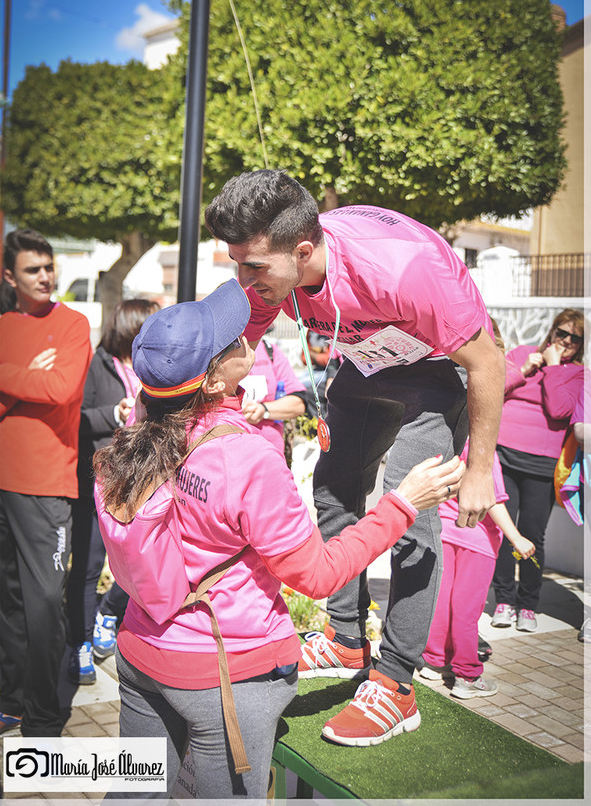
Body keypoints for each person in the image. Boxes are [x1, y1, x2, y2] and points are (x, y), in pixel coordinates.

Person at [93, 279, 465, 799]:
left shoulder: (138, 425)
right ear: (216, 380)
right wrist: (402, 503)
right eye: (230, 337)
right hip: (224, 676)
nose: (247, 334)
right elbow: (317, 575)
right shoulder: (244, 459)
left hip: (140, 658)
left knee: (133, 794)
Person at [204, 169, 505, 746]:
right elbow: (239, 346)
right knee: (334, 487)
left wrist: (480, 470)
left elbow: (488, 363)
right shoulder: (273, 277)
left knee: (412, 510)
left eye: (254, 267)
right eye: (237, 263)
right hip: (364, 364)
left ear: (303, 250)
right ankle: (345, 637)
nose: (244, 279)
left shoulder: (403, 271)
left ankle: (396, 682)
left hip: (440, 371)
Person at [0, 229, 92, 736]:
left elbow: (59, 388)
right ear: (10, 277)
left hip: (49, 486)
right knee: (8, 601)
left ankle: (44, 716)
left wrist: (0, 374)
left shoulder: (73, 324)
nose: (46, 276)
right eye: (34, 269)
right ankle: (10, 702)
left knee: (43, 604)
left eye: (49, 266)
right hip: (0, 481)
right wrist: (17, 374)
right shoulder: (0, 327)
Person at [66, 298, 159, 685]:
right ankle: (79, 644)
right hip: (97, 481)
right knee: (87, 568)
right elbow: (73, 419)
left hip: (141, 480)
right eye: (151, 323)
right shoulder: (97, 363)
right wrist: (114, 415)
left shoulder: (152, 366)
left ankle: (108, 613)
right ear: (132, 326)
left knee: (138, 562)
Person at [491, 309, 585, 632]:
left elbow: (559, 408)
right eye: (563, 333)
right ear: (552, 330)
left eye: (576, 338)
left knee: (533, 535)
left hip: (542, 466)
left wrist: (555, 367)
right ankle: (503, 599)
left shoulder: (577, 375)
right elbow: (494, 389)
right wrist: (524, 368)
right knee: (505, 532)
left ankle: (527, 604)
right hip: (504, 455)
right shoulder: (521, 354)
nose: (567, 341)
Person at [420, 440, 536, 698]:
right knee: (466, 610)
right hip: (477, 541)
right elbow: (491, 500)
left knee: (441, 601)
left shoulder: (443, 441)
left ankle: (435, 662)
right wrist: (516, 537)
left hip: (444, 532)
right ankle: (468, 675)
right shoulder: (481, 449)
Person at [239, 335, 306, 457]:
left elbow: (298, 403)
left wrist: (263, 410)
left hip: (269, 455)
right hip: (228, 453)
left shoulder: (269, 350)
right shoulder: (215, 350)